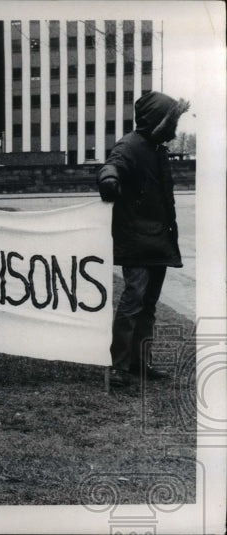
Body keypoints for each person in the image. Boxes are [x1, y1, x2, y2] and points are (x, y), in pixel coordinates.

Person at [96, 91, 190, 388]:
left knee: (147, 304)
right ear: (157, 120)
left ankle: (139, 362)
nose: (174, 127)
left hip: (157, 239)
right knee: (133, 301)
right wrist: (109, 180)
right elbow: (111, 165)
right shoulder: (130, 145)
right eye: (171, 119)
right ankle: (120, 366)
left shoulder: (156, 147)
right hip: (137, 239)